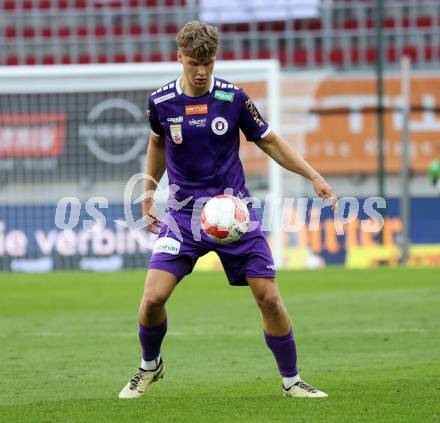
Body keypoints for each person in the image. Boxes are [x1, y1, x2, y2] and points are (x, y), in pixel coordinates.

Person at [119, 21, 336, 399]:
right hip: (185, 215)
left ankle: (292, 381)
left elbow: (269, 141)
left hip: (234, 212)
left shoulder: (233, 99)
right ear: (180, 58)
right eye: (193, 63)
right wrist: (149, 189)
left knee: (268, 297)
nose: (201, 71)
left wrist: (313, 176)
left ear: (214, 59)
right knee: (152, 299)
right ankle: (149, 366)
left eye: (208, 62)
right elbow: (157, 143)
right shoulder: (161, 102)